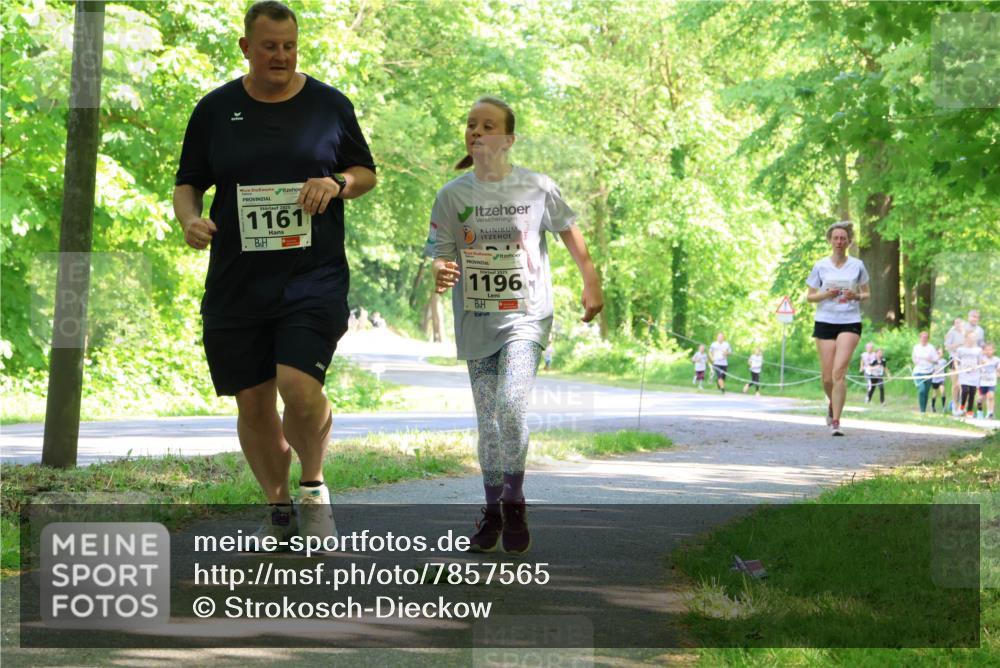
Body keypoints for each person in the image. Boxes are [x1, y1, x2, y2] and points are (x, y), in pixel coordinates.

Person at [173, 1, 377, 548]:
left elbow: (365, 172)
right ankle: (279, 507)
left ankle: (313, 485)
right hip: (238, 280)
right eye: (269, 46)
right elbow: (189, 181)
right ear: (246, 47)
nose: (281, 56)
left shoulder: (329, 105)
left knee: (299, 386)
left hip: (313, 277)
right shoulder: (215, 109)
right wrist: (191, 219)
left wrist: (337, 183)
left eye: (289, 46)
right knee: (254, 401)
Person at [428, 96, 603, 555]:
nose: (477, 132)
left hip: (527, 316)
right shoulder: (452, 195)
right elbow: (441, 253)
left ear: (508, 139)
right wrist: (442, 271)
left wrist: (591, 282)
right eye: (471, 125)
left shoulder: (537, 188)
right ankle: (491, 509)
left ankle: (515, 500)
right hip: (476, 319)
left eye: (488, 125)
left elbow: (569, 233)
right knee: (488, 421)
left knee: (510, 405)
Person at [806, 221, 870, 436]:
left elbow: (867, 293)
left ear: (849, 241)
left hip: (849, 321)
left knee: (838, 373)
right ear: (830, 241)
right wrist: (826, 294)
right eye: (836, 238)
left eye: (843, 238)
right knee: (826, 378)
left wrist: (857, 296)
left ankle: (836, 422)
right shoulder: (820, 265)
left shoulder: (857, 265)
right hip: (825, 321)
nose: (839, 242)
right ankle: (832, 404)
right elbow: (809, 296)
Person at [954, 331, 983, 418]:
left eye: (973, 337)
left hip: (974, 375)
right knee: (965, 390)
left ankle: (969, 411)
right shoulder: (960, 349)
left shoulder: (978, 350)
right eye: (970, 337)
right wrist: (957, 369)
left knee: (972, 393)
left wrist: (977, 367)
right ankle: (962, 407)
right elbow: (956, 361)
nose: (971, 339)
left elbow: (980, 362)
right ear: (966, 338)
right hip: (964, 374)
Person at [911, 331, 938, 413]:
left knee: (926, 392)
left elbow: (936, 360)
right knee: (921, 390)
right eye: (922, 337)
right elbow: (913, 358)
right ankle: (922, 411)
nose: (924, 339)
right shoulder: (916, 347)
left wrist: (931, 360)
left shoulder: (931, 348)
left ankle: (923, 410)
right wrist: (915, 361)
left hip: (929, 372)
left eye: (926, 337)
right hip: (918, 372)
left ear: (928, 339)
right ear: (920, 338)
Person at [944, 317, 966, 412]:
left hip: (965, 360)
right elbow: (947, 347)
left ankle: (962, 405)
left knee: (964, 384)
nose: (958, 324)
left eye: (960, 322)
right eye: (956, 323)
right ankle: (954, 405)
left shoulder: (966, 333)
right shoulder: (951, 333)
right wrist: (959, 344)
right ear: (954, 324)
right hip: (954, 359)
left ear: (963, 323)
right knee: (955, 384)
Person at [978, 343, 998, 419]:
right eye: (986, 350)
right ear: (984, 351)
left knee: (991, 396)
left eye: (990, 350)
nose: (988, 351)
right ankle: (980, 412)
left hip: (992, 381)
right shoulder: (982, 359)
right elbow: (977, 368)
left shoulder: (996, 360)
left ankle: (990, 413)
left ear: (993, 350)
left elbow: (998, 369)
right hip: (982, 382)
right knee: (980, 399)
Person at [930, 347, 948, 413]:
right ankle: (932, 406)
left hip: (941, 379)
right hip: (934, 379)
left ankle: (944, 407)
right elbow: (931, 369)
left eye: (941, 353)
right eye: (938, 353)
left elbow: (946, 368)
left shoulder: (944, 361)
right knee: (935, 393)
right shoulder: (933, 361)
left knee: (942, 391)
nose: (940, 354)